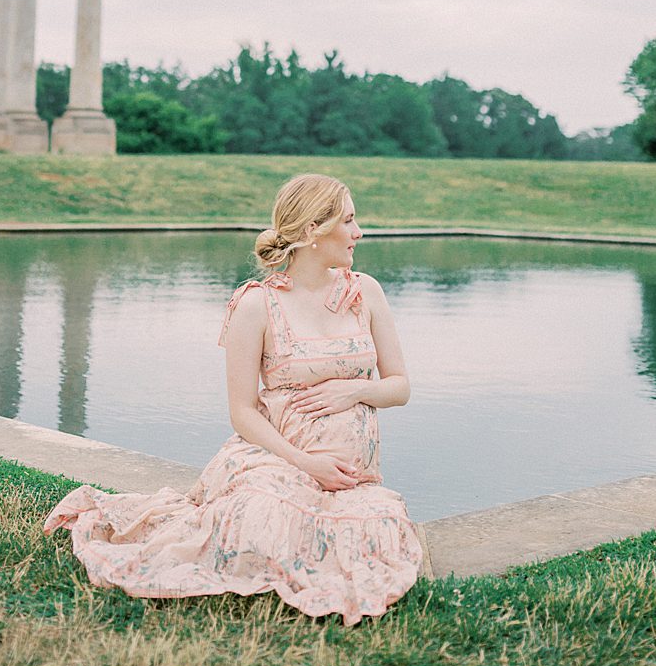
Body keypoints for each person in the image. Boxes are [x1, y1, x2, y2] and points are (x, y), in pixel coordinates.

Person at [44, 173, 425, 626]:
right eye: (348, 220)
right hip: (277, 459)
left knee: (379, 530)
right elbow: (242, 412)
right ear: (311, 232)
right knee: (260, 520)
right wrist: (305, 463)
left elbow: (399, 386)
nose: (358, 232)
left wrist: (356, 390)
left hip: (351, 475)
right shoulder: (256, 305)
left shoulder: (365, 292)